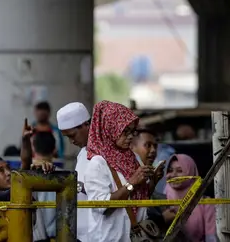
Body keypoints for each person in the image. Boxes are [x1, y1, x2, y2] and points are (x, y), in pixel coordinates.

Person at [84, 101, 163, 242]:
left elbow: (139, 198)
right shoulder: (98, 163)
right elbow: (101, 206)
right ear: (110, 129)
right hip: (110, 238)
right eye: (125, 132)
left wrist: (153, 181)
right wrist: (131, 183)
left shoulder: (132, 157)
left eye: (132, 131)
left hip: (135, 236)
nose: (131, 136)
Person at [57, 101, 93, 242]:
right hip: (82, 235)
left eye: (72, 135)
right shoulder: (83, 153)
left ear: (86, 125)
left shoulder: (105, 154)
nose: (71, 141)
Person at [162, 154, 216, 242]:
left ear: (191, 173)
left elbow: (211, 239)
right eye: (170, 170)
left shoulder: (206, 204)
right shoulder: (161, 199)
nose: (173, 175)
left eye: (179, 171)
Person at [32, 132, 58, 242]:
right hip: (60, 237)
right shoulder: (66, 177)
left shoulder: (24, 176)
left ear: (33, 149)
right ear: (55, 150)